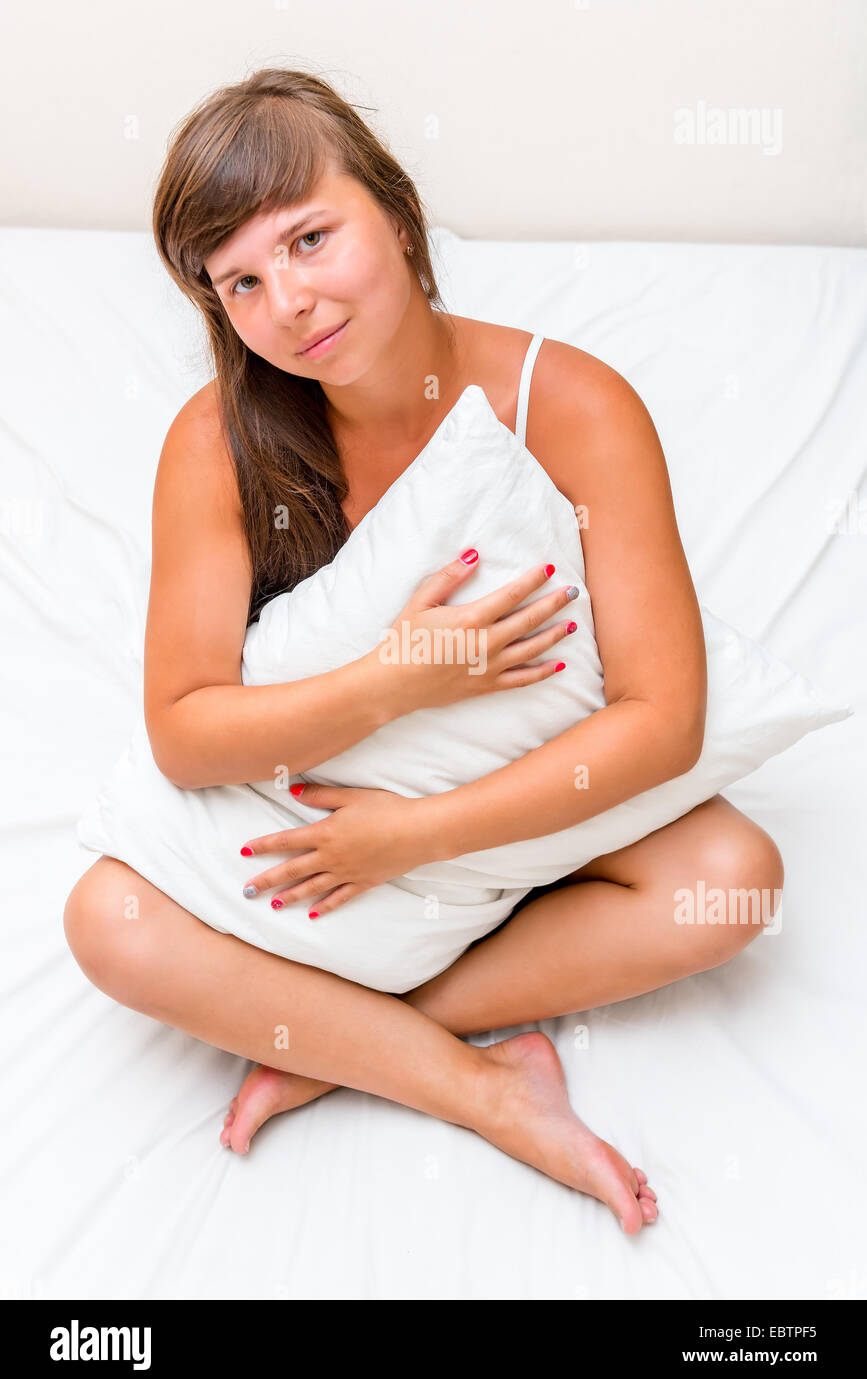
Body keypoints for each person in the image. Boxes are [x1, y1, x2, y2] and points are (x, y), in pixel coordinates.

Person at [63, 67, 784, 1235]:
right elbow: (184, 730)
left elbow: (665, 717)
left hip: (504, 811)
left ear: (395, 216)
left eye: (310, 239)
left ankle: (356, 1040)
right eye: (241, 280)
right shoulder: (217, 438)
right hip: (346, 816)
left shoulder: (578, 405)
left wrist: (414, 837)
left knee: (735, 878)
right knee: (106, 921)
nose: (286, 302)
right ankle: (484, 1087)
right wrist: (400, 677)